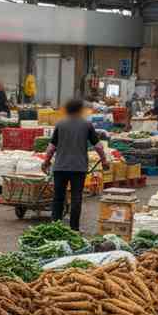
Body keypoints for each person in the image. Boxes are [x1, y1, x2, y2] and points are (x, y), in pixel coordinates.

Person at [42, 98, 108, 232]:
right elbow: (98, 146)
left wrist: (46, 161)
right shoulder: (87, 125)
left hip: (60, 167)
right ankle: (74, 228)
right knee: (76, 198)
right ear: (80, 110)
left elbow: (51, 146)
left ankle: (56, 228)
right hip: (79, 168)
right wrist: (104, 160)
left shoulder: (60, 124)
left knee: (58, 198)